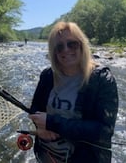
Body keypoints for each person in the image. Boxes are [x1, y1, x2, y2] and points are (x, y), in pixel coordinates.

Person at [28, 21, 119, 163]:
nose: (66, 50)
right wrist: (40, 128)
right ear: (54, 52)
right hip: (46, 155)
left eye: (72, 44)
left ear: (82, 45)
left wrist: (52, 123)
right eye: (59, 47)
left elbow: (103, 130)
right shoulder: (47, 76)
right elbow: (35, 109)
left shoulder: (102, 79)